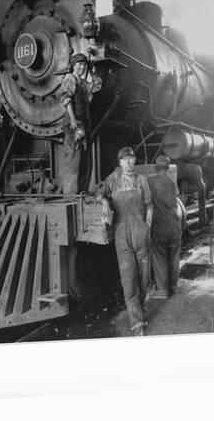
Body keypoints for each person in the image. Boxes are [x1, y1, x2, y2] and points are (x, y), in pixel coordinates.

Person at [97, 147, 153, 336]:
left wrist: (147, 228)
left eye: (131, 159)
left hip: (141, 233)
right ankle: (137, 323)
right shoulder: (113, 179)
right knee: (129, 281)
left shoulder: (142, 181)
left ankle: (142, 311)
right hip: (122, 235)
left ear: (134, 161)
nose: (128, 162)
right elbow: (100, 194)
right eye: (125, 159)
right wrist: (105, 202)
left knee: (144, 280)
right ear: (120, 162)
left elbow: (149, 205)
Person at [60, 52, 102, 194]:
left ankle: (82, 191)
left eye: (84, 65)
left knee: (86, 160)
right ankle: (71, 194)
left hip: (85, 125)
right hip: (74, 125)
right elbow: (66, 99)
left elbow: (97, 85)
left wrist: (90, 69)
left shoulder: (84, 84)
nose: (82, 67)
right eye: (79, 65)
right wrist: (73, 120)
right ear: (73, 66)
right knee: (74, 159)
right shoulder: (70, 78)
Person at [148, 155, 182, 299]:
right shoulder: (172, 183)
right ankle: (173, 286)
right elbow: (177, 196)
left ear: (156, 168)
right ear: (168, 168)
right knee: (174, 256)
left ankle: (162, 290)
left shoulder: (150, 181)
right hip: (175, 225)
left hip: (160, 226)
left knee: (159, 256)